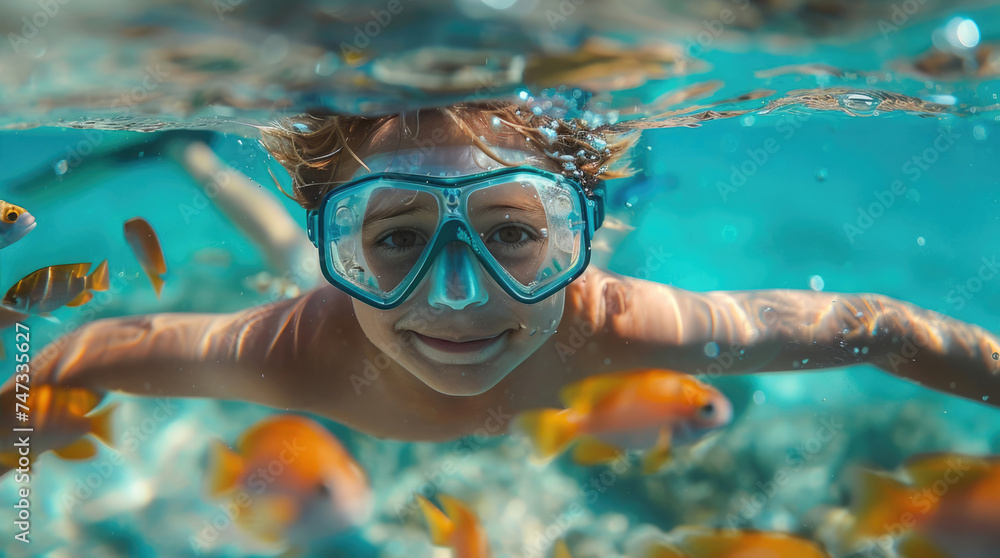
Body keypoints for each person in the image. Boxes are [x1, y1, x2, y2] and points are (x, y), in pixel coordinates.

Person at [4, 99, 999, 450]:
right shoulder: (298, 350)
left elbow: (883, 328)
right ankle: (194, 156)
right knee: (284, 262)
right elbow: (87, 354)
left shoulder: (622, 322)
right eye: (392, 241)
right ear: (341, 248)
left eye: (518, 234)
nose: (457, 297)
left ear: (574, 234)